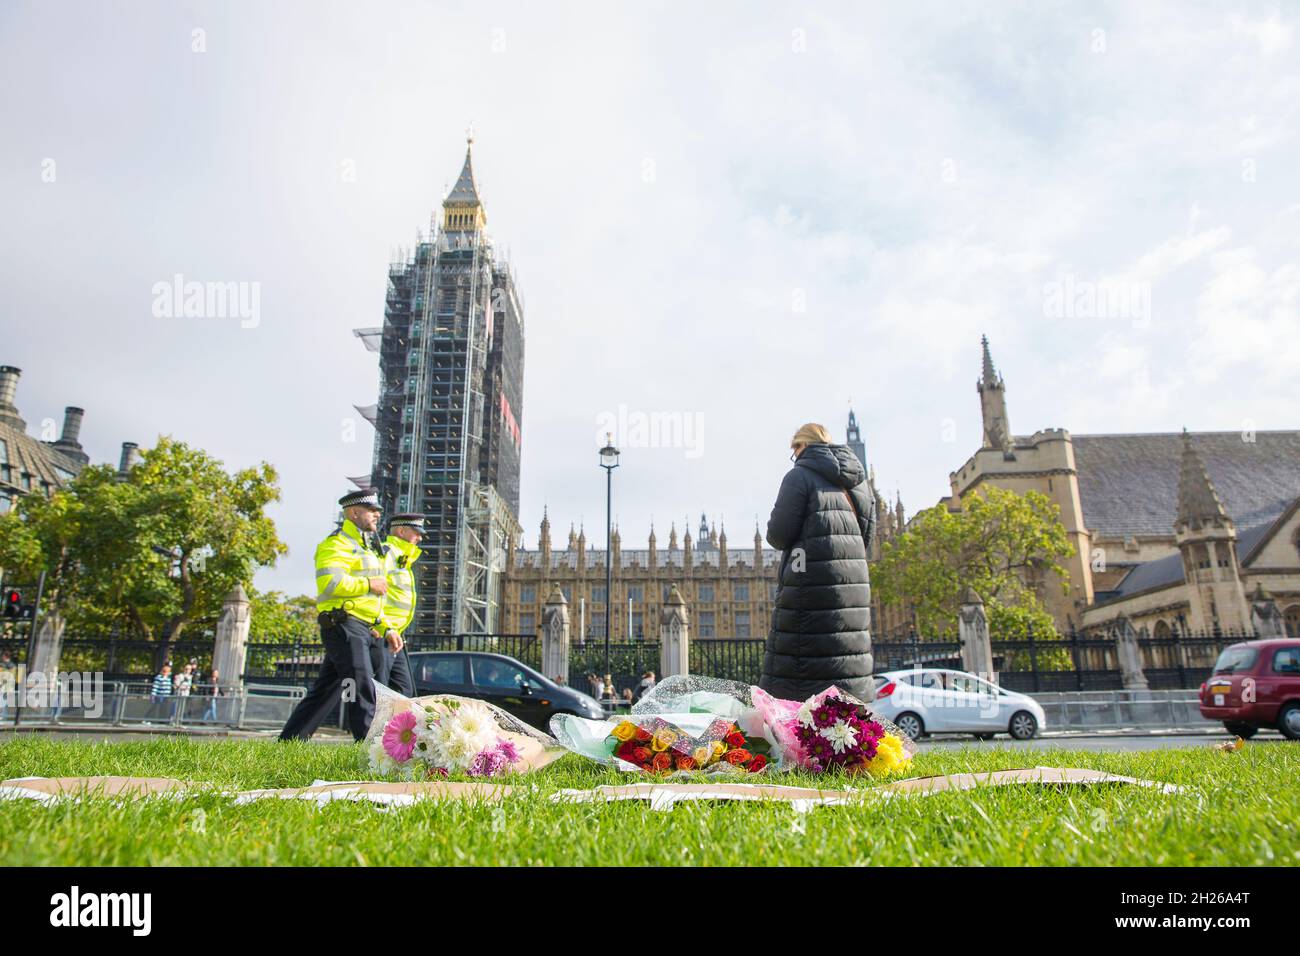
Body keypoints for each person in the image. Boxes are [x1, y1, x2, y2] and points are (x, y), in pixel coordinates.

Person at [758, 422, 877, 702]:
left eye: (795, 450)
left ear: (802, 446)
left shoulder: (799, 476)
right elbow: (867, 538)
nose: (795, 456)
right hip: (853, 588)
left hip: (809, 585)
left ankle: (797, 738)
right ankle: (846, 738)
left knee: (801, 664)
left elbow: (778, 535)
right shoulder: (860, 483)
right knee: (846, 659)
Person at [279, 489, 400, 742]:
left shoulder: (365, 548)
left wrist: (385, 626)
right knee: (362, 686)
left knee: (326, 691)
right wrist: (368, 584)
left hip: (364, 627)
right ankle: (371, 749)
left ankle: (290, 741)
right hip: (343, 624)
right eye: (372, 510)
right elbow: (330, 583)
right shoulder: (336, 543)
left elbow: (374, 602)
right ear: (354, 512)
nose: (378, 514)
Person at [373, 513, 423, 696]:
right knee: (379, 694)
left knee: (404, 693)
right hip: (381, 634)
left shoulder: (403, 559)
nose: (420, 538)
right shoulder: (386, 554)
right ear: (401, 531)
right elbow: (371, 596)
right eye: (416, 532)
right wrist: (384, 627)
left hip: (395, 636)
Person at [0, 650, 16, 721]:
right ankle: (4, 717)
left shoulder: (2, 665)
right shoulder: (14, 666)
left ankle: (2, 717)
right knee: (4, 703)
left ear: (4, 656)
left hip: (3, 687)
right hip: (9, 688)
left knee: (2, 703)